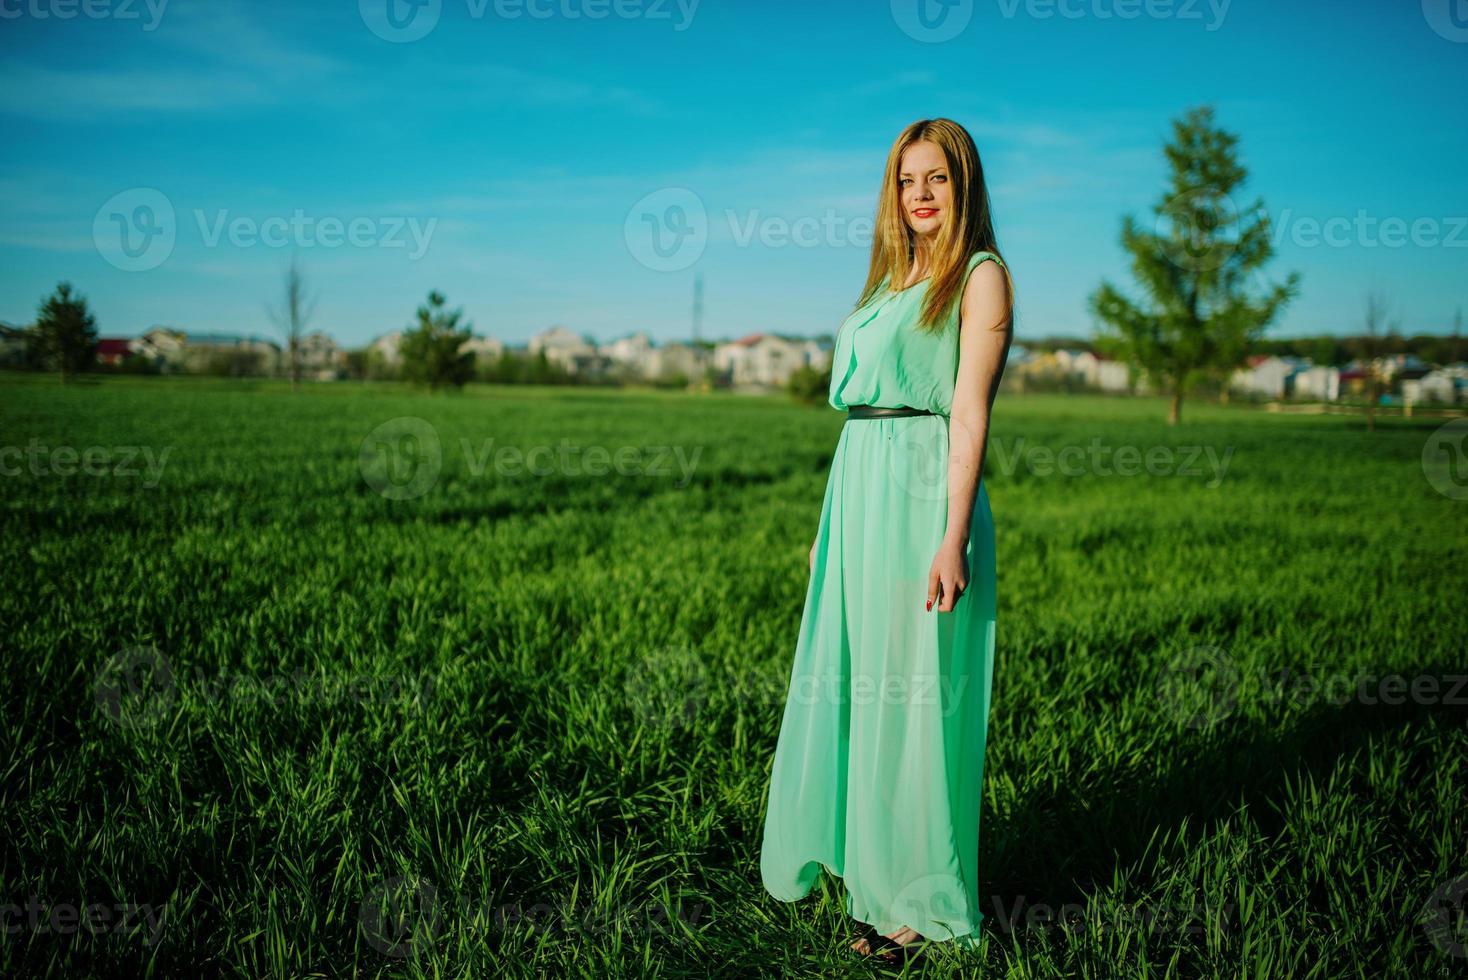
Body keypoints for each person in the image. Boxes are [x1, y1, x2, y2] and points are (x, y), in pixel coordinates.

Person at [758, 117, 1015, 963]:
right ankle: (868, 864)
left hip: (919, 493)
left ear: (963, 185)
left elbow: (968, 413)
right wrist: (829, 531)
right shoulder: (888, 280)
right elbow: (859, 406)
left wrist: (952, 536)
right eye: (908, 181)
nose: (920, 195)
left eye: (936, 179)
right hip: (857, 491)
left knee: (913, 698)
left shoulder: (981, 279)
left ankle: (917, 898)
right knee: (858, 688)